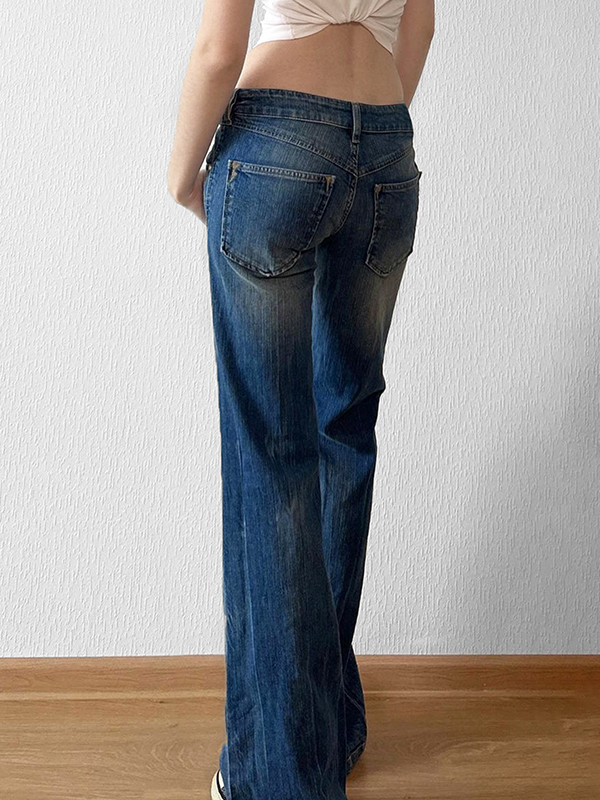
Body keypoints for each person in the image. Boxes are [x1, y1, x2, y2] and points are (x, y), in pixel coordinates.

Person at [167, 0, 434, 796]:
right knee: (343, 432)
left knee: (272, 455)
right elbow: (418, 27)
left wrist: (182, 175)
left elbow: (219, 51)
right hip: (386, 148)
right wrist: (364, 143)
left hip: (275, 144)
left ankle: (282, 777)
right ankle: (327, 732)